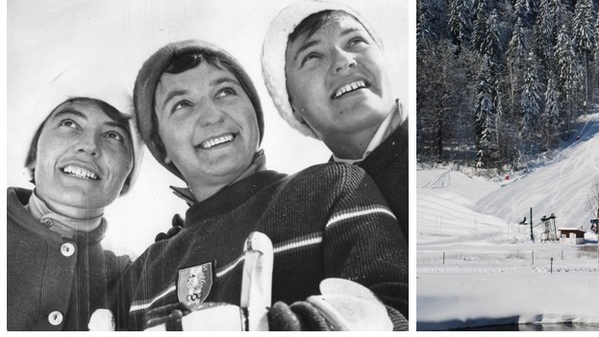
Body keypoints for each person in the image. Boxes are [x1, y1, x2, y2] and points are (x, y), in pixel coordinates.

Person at [109, 40, 408, 330]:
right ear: (160, 146)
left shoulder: (333, 188)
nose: (212, 115)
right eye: (182, 104)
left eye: (225, 92)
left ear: (255, 113)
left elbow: (395, 312)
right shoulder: (141, 276)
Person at [262, 0, 409, 240]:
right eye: (312, 56)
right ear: (292, 107)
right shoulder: (310, 211)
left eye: (355, 41)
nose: (343, 61)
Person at [7, 73, 142, 330]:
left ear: (127, 177)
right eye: (70, 123)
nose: (89, 146)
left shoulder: (133, 278)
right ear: (33, 153)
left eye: (113, 135)